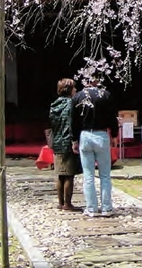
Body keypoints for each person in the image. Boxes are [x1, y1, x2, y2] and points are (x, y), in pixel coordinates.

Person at [71, 79, 119, 217]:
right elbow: (112, 117)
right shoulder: (106, 95)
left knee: (88, 175)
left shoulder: (78, 96)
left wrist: (74, 139)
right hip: (101, 134)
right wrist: (114, 134)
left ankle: (91, 208)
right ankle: (106, 207)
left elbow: (73, 120)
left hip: (85, 135)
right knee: (104, 174)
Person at [48, 78, 81, 212]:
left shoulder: (54, 105)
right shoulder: (71, 105)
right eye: (74, 88)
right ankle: (67, 203)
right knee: (69, 174)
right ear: (69, 90)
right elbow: (71, 124)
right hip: (67, 141)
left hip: (57, 141)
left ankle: (60, 202)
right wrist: (74, 141)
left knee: (60, 174)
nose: (76, 90)